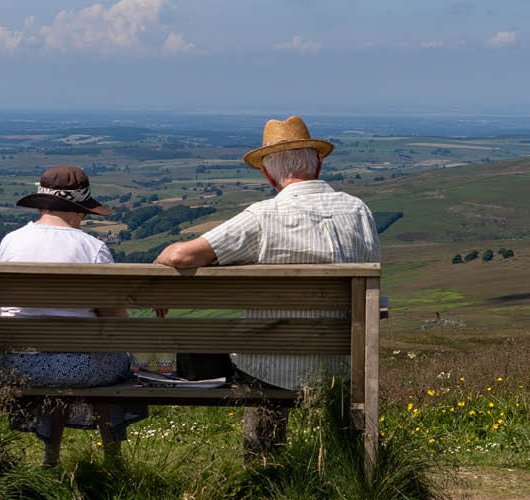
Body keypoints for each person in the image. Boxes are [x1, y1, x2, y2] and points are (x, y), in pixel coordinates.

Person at [154, 116, 381, 454]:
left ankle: (264, 464)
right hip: (344, 364)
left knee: (254, 363)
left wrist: (161, 269)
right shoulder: (359, 211)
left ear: (267, 173)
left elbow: (181, 256)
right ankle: (348, 462)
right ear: (318, 163)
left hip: (271, 369)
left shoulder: (262, 218)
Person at [0, 165, 144, 466]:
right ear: (77, 210)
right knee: (117, 360)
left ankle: (52, 458)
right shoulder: (93, 249)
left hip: (13, 367)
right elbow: (114, 321)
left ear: (43, 203)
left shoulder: (11, 242)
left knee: (63, 359)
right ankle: (112, 460)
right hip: (82, 368)